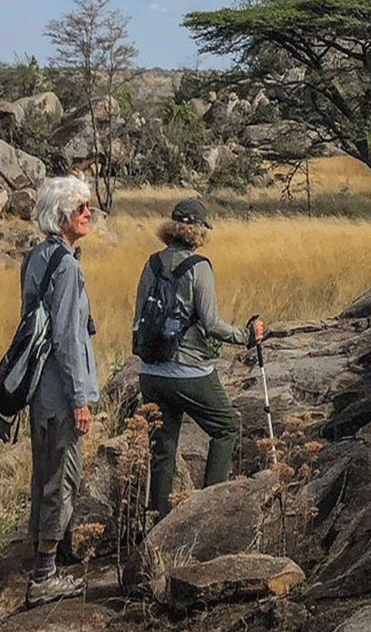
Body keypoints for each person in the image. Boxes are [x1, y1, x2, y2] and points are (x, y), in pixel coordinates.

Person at [134, 199, 263, 522]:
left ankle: (158, 522)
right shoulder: (198, 267)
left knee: (162, 446)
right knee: (226, 427)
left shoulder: (151, 264)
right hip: (188, 370)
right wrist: (247, 336)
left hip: (150, 371)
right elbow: (211, 324)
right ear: (198, 231)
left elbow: (138, 317)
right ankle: (209, 512)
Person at [24, 175, 97, 607]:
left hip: (38, 391)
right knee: (61, 482)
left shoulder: (35, 257)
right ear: (62, 215)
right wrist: (80, 400)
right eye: (81, 208)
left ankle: (40, 560)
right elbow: (68, 339)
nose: (88, 214)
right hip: (60, 394)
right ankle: (44, 577)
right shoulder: (66, 266)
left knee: (42, 478)